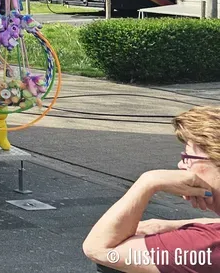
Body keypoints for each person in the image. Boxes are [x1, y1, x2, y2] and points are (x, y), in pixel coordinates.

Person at [83, 106, 220, 273]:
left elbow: (100, 250)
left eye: (188, 157)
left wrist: (148, 182)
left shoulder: (203, 246)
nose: (181, 165)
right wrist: (166, 225)